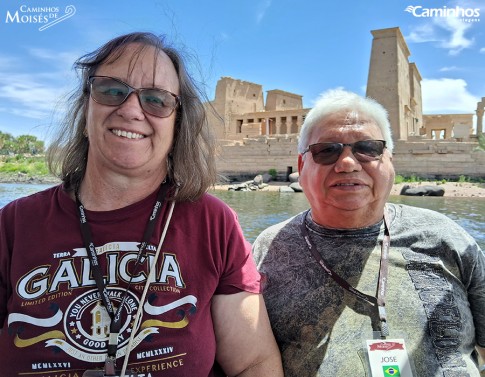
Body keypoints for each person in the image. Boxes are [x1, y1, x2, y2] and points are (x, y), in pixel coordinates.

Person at [0, 32, 283, 377]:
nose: (131, 110)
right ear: (86, 107)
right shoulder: (13, 224)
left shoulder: (214, 223)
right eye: (112, 90)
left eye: (156, 99)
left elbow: (253, 364)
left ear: (177, 124)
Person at [252, 88, 485, 377]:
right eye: (327, 150)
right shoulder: (267, 249)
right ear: (302, 166)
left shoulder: (446, 237)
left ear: (390, 160)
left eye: (368, 148)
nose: (348, 163)